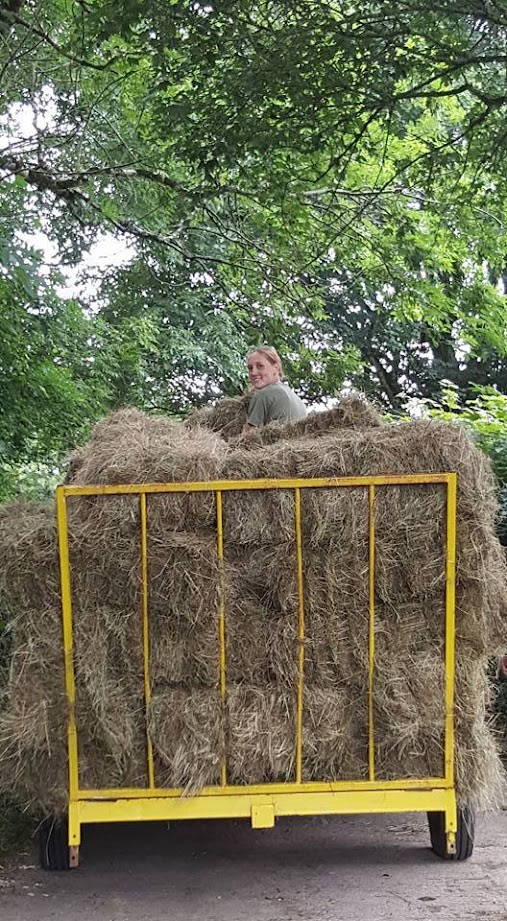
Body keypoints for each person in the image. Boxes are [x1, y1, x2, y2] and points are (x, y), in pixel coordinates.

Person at [243, 346, 307, 431]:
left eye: (260, 366)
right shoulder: (295, 397)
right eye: (250, 368)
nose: (253, 372)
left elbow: (247, 438)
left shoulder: (263, 395)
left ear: (276, 368)